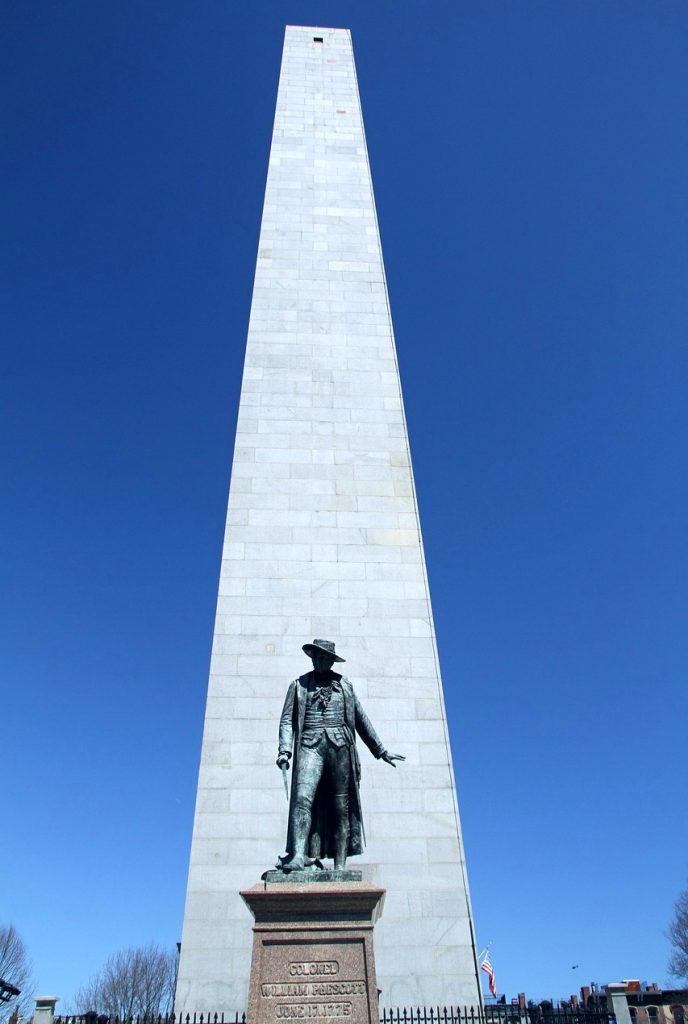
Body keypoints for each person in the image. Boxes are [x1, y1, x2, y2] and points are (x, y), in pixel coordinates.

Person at [276, 639, 404, 871]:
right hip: (309, 744)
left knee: (340, 806)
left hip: (340, 746)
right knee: (302, 799)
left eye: (324, 657)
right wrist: (284, 750)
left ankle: (340, 864)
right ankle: (297, 855)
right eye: (316, 656)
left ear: (331, 660)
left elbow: (361, 719)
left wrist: (381, 750)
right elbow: (287, 720)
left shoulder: (345, 685)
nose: (319, 660)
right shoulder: (299, 685)